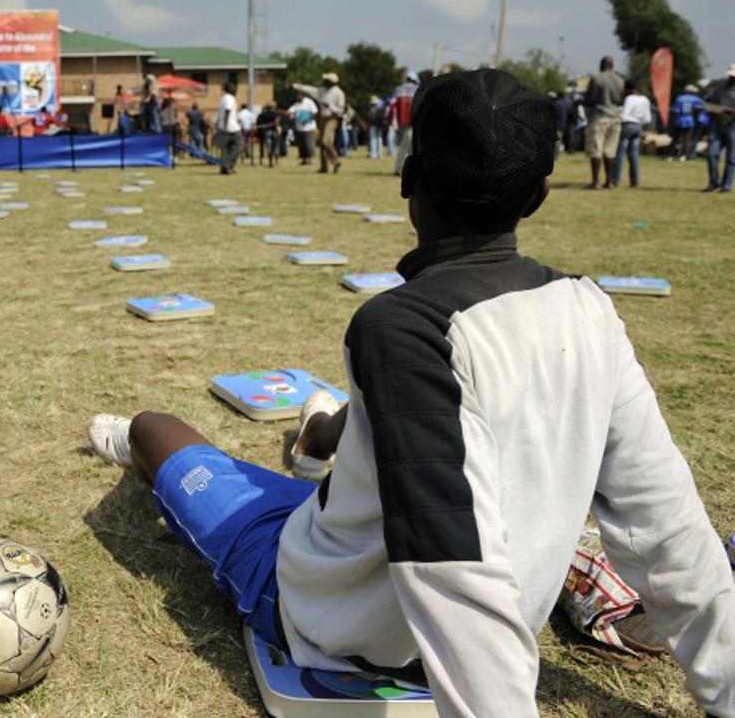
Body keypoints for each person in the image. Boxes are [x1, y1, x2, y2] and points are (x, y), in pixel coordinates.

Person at [85, 69, 734, 717]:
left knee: (153, 426)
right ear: (539, 194)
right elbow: (667, 524)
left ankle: (250, 437)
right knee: (355, 449)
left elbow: (454, 570)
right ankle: (320, 433)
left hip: (341, 623)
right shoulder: (590, 310)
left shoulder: (403, 329)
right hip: (418, 577)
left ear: (407, 178)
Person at [585, 57, 624, 189]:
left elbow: (591, 99)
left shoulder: (596, 78)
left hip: (599, 117)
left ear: (601, 65)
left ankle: (596, 182)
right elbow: (621, 100)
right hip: (615, 117)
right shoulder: (620, 80)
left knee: (596, 150)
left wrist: (581, 102)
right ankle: (610, 181)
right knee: (610, 151)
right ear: (612, 66)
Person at [613, 80, 651, 188]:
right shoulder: (645, 99)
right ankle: (634, 180)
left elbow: (625, 114)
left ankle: (615, 179)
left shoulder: (629, 98)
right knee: (634, 154)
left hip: (627, 125)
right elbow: (647, 118)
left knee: (620, 154)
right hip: (638, 125)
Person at [704, 64, 735, 193]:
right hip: (716, 126)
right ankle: (714, 182)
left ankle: (726, 186)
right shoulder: (717, 90)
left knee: (731, 158)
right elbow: (706, 102)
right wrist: (710, 107)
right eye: (731, 76)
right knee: (711, 154)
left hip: (733, 128)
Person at [389, 72, 419, 175]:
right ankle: (402, 169)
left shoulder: (398, 89)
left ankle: (401, 168)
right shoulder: (418, 89)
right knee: (411, 147)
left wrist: (391, 121)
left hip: (401, 122)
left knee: (404, 146)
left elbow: (391, 106)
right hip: (414, 122)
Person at [317, 72, 345, 173]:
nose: (324, 82)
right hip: (323, 118)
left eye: (327, 80)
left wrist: (329, 106)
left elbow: (340, 110)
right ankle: (324, 167)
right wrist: (295, 86)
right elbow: (310, 90)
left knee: (325, 140)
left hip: (333, 118)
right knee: (322, 143)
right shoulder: (322, 90)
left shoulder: (339, 93)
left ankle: (336, 161)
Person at [669, 84, 703, 162]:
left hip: (680, 119)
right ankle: (683, 156)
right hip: (690, 120)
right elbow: (700, 108)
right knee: (687, 139)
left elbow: (675, 110)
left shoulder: (679, 98)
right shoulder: (697, 99)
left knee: (675, 138)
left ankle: (670, 155)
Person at [214, 80, 242, 174]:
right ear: (231, 89)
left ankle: (224, 168)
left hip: (223, 126)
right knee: (239, 146)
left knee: (226, 148)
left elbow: (220, 113)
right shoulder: (230, 98)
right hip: (231, 127)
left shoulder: (223, 99)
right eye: (234, 88)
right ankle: (228, 166)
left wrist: (219, 125)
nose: (236, 90)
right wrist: (226, 126)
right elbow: (227, 111)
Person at [287, 90, 318, 165]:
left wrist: (307, 119)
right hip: (299, 128)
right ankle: (304, 159)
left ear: (302, 95)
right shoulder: (296, 104)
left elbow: (315, 113)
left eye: (298, 95)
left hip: (309, 127)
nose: (297, 97)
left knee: (308, 144)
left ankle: (310, 159)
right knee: (301, 145)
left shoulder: (309, 102)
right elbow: (289, 111)